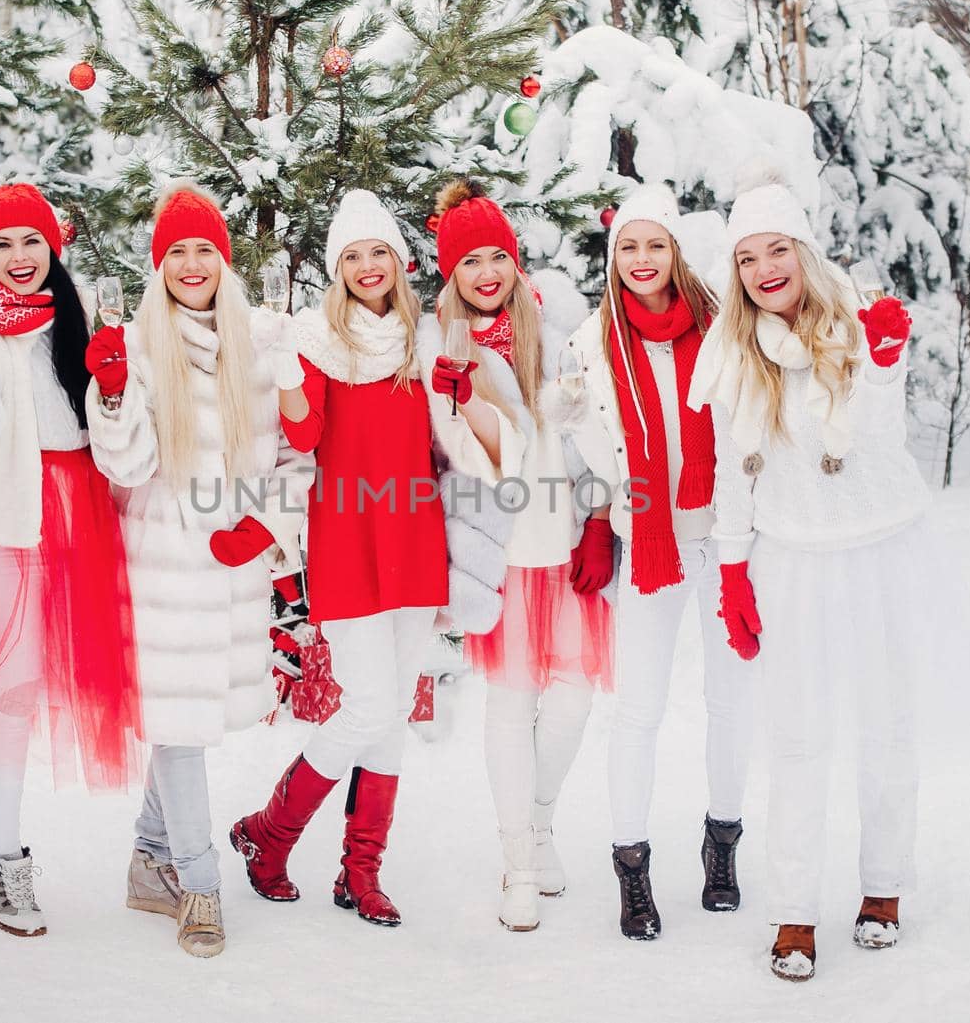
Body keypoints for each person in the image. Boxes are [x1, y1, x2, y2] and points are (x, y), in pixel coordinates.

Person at [688, 178, 956, 981]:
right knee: (797, 739)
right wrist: (733, 571)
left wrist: (880, 364)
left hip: (877, 551)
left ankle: (882, 888)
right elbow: (734, 476)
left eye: (777, 249)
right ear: (735, 272)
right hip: (793, 559)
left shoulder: (857, 320)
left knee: (886, 728)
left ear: (802, 251)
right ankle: (794, 911)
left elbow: (881, 438)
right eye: (747, 257)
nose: (765, 267)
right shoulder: (736, 351)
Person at [84, 183, 313, 957]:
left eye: (203, 249)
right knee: (179, 726)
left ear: (223, 258)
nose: (191, 263)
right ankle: (200, 883)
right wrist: (113, 393)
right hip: (164, 567)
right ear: (158, 265)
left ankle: (150, 858)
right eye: (175, 251)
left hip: (234, 567)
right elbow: (126, 462)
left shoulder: (261, 339)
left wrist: (267, 525)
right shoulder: (140, 345)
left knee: (182, 719)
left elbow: (296, 453)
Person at [230, 190, 446, 928]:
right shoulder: (318, 340)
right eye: (351, 256)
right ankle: (270, 834)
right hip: (350, 537)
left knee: (388, 716)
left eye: (376, 251)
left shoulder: (427, 338)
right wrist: (290, 370)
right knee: (369, 704)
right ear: (336, 268)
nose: (365, 266)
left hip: (416, 537)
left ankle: (361, 873)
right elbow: (309, 431)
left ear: (398, 258)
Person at [0, 183, 142, 937]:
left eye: (31, 242)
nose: (19, 258)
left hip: (75, 513)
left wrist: (115, 388)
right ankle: (6, 857)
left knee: (77, 677)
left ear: (53, 247)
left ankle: (157, 846)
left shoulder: (77, 317)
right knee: (11, 687)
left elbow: (101, 433)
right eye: (3, 244)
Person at [418, 179, 615, 932]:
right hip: (500, 550)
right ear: (452, 275)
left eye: (497, 255)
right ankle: (521, 863)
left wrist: (598, 515)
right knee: (510, 705)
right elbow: (472, 459)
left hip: (565, 541)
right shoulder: (443, 347)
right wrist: (467, 399)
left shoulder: (558, 323)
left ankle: (538, 820)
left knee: (573, 696)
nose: (488, 273)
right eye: (470, 263)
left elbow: (596, 429)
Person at [563, 184, 746, 940]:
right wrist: (601, 514)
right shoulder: (591, 343)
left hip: (730, 536)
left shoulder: (725, 330)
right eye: (628, 246)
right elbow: (587, 445)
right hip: (649, 543)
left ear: (676, 252)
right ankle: (632, 868)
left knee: (731, 704)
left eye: (656, 244)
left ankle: (722, 844)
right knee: (638, 708)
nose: (642, 259)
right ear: (615, 257)